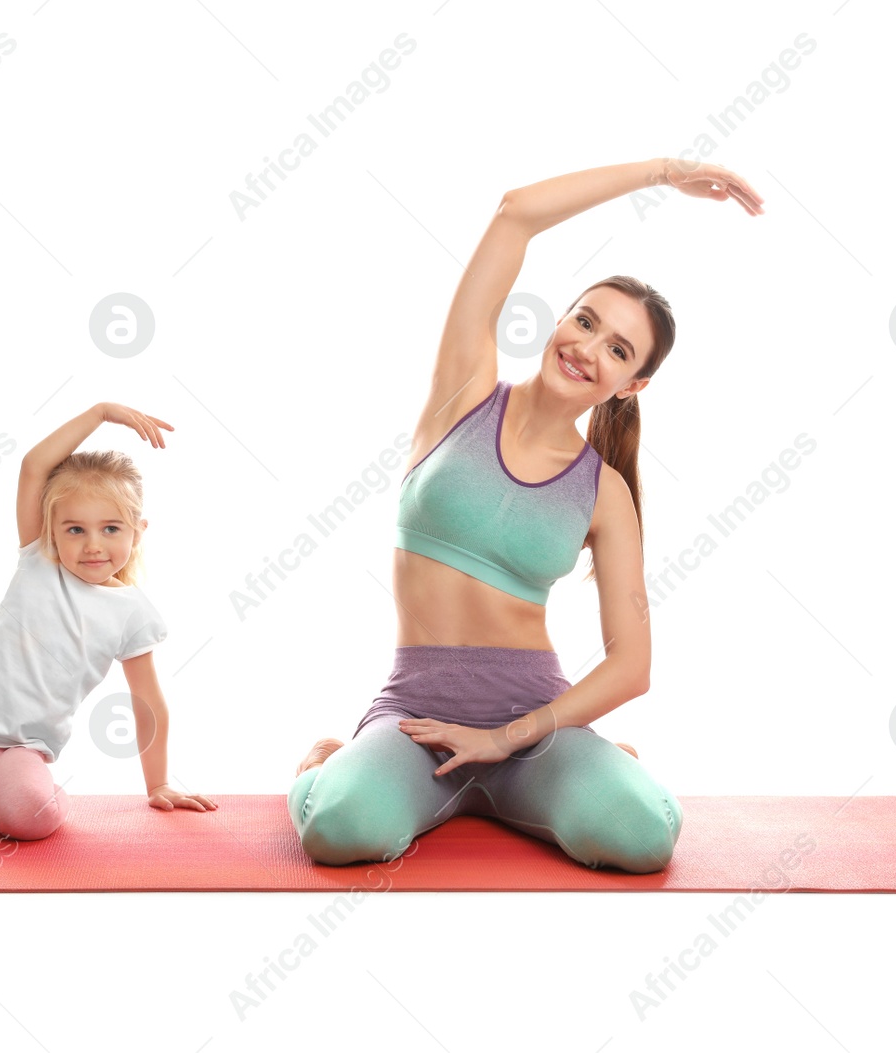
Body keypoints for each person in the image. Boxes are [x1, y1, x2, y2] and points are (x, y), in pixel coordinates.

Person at [289, 156, 765, 872]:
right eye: (585, 319)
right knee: (339, 830)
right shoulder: (464, 393)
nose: (586, 347)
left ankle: (605, 770)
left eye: (617, 349)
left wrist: (510, 737)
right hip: (417, 715)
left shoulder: (605, 493)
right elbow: (515, 212)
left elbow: (632, 665)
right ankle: (327, 762)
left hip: (534, 725)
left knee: (642, 839)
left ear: (630, 384)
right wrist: (664, 174)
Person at [0, 402, 218, 840]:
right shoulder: (39, 558)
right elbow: (33, 466)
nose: (93, 545)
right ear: (52, 529)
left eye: (112, 528)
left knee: (32, 821)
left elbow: (148, 702)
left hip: (18, 750)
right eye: (75, 529)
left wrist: (157, 784)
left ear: (138, 530)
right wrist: (101, 414)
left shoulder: (134, 614)